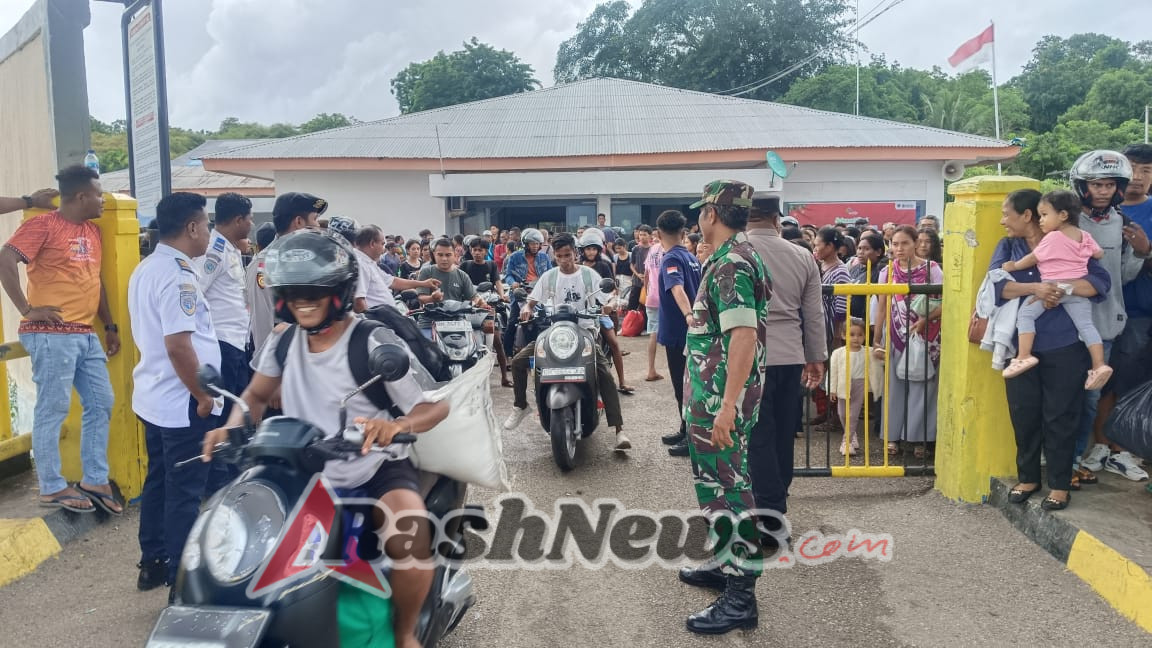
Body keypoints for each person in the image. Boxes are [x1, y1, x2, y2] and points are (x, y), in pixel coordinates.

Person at [203, 230, 447, 648]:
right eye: (294, 292)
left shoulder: (370, 340)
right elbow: (256, 395)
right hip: (301, 471)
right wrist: (232, 424)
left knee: (410, 533)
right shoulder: (282, 342)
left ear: (339, 290)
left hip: (373, 466)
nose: (303, 301)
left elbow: (433, 408)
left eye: (314, 291)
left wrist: (395, 427)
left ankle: (406, 632)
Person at [675, 180, 769, 635]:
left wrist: (727, 406)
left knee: (729, 490)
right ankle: (726, 563)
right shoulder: (733, 256)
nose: (698, 219)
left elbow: (744, 335)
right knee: (717, 485)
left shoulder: (731, 263)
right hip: (714, 396)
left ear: (712, 212)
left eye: (701, 211)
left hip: (720, 400)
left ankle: (741, 595)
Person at [0, 165, 121, 515]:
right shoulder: (42, 225)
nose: (102, 200)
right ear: (81, 196)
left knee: (101, 402)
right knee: (53, 408)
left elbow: (94, 281)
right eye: (99, 194)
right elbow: (6, 258)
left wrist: (109, 325)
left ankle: (94, 478)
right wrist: (27, 308)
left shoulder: (93, 232)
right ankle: (52, 486)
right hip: (51, 335)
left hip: (85, 334)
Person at [128, 192, 222, 592]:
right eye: (207, 224)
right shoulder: (179, 274)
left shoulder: (147, 267)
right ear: (192, 227)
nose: (208, 233)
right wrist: (202, 396)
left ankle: (153, 561)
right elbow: (178, 345)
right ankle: (184, 582)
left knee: (160, 480)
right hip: (182, 398)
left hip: (155, 395)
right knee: (185, 491)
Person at [994, 189, 1110, 510]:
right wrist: (1037, 288)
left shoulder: (1075, 241)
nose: (1004, 221)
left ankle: (1059, 484)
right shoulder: (1009, 247)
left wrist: (1062, 288)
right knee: (1024, 414)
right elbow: (997, 286)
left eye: (1007, 214)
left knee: (1061, 416)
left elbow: (1099, 284)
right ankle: (1028, 477)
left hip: (1066, 344)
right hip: (1019, 348)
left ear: (1030, 214)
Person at [744, 196, 826, 538]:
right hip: (791, 355)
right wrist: (816, 356)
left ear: (748, 216)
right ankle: (778, 498)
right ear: (776, 217)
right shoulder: (802, 254)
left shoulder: (737, 252)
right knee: (782, 433)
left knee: (757, 434)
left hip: (750, 355)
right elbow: (814, 312)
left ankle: (770, 512)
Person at [1070, 150, 1152, 482]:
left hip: (1106, 324)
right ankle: (1060, 459)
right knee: (1064, 397)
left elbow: (1125, 276)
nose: (1103, 191)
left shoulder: (1123, 223)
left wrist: (1142, 251)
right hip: (1064, 323)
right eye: (1096, 184)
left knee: (1091, 396)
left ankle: (1076, 458)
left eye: (1109, 185)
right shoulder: (1067, 219)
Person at [503, 234, 629, 450]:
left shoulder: (589, 275)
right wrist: (526, 308)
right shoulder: (549, 277)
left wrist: (610, 304)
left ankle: (619, 429)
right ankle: (520, 405)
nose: (564, 260)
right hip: (555, 335)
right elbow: (532, 300)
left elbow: (609, 296)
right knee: (518, 361)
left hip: (584, 333)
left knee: (604, 373)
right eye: (559, 256)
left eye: (568, 255)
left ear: (575, 253)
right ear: (555, 256)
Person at [1001, 190, 1111, 388]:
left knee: (1025, 315)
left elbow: (1033, 258)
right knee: (1086, 325)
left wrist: (1014, 266)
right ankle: (1099, 364)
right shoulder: (1084, 236)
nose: (1041, 220)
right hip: (1073, 290)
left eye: (1044, 215)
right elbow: (1099, 253)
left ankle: (1024, 355)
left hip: (1051, 287)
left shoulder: (1052, 238)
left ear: (1062, 215)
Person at [874, 226, 942, 459]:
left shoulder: (933, 270)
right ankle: (892, 437)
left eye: (904, 243)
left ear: (916, 243)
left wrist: (925, 320)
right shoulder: (888, 272)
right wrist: (877, 338)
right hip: (896, 333)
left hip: (928, 336)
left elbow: (946, 301)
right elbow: (882, 305)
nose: (899, 248)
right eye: (894, 244)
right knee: (894, 387)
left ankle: (919, 439)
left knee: (924, 387)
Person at [193, 193, 253, 428]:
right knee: (225, 414)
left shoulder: (230, 249)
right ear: (239, 220)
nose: (252, 224)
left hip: (236, 342)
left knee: (236, 411)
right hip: (222, 343)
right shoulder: (214, 251)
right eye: (250, 218)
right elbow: (197, 294)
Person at [245, 192, 327, 353]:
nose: (318, 226)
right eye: (315, 219)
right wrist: (269, 367)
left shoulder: (311, 261)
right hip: (286, 355)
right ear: (298, 222)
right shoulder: (265, 264)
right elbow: (262, 322)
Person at [653, 210, 702, 457]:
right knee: (687, 384)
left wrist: (688, 315)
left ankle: (691, 437)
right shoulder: (692, 258)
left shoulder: (671, 259)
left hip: (680, 332)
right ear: (684, 233)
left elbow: (676, 288)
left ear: (659, 233)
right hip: (690, 332)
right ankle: (685, 428)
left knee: (683, 386)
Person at [578, 230, 635, 394]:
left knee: (614, 343)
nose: (591, 252)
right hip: (578, 312)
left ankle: (622, 381)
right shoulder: (576, 267)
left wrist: (609, 304)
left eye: (594, 249)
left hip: (597, 311)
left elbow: (613, 291)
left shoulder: (603, 265)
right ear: (582, 250)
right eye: (588, 249)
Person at [461, 236, 512, 386]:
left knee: (497, 340)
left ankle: (504, 377)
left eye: (480, 250)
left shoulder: (491, 265)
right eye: (474, 250)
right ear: (470, 251)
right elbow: (461, 283)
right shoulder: (465, 266)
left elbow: (497, 282)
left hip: (488, 307)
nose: (477, 253)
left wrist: (502, 296)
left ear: (485, 251)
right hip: (470, 308)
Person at [353, 225, 439, 312]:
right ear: (372, 244)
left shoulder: (368, 263)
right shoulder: (361, 265)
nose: (383, 249)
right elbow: (359, 302)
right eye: (382, 244)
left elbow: (393, 281)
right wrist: (372, 323)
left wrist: (423, 283)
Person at [828, 319, 883, 456]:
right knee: (842, 413)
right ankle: (852, 435)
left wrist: (882, 353)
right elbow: (833, 371)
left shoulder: (868, 352)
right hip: (842, 385)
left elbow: (881, 357)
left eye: (860, 335)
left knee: (853, 414)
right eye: (851, 334)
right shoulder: (838, 353)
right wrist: (832, 389)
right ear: (843, 335)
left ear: (865, 336)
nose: (856, 338)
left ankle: (846, 442)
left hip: (859, 384)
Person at [501, 228, 551, 352]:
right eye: (532, 243)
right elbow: (508, 275)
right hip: (521, 294)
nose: (535, 246)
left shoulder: (544, 257)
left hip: (540, 294)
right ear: (526, 244)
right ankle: (507, 354)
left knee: (547, 320)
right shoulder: (515, 257)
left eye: (537, 244)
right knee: (512, 322)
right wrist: (513, 283)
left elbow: (551, 274)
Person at [642, 226, 666, 381]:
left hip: (651, 297)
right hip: (667, 297)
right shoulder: (669, 250)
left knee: (653, 332)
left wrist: (648, 290)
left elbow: (646, 274)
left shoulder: (651, 251)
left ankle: (651, 369)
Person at [627, 225, 652, 313]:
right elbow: (632, 264)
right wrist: (638, 274)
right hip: (637, 281)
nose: (642, 237)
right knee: (631, 306)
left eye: (644, 235)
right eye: (640, 234)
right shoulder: (636, 249)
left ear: (650, 236)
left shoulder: (653, 249)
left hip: (649, 283)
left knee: (646, 307)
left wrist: (646, 276)